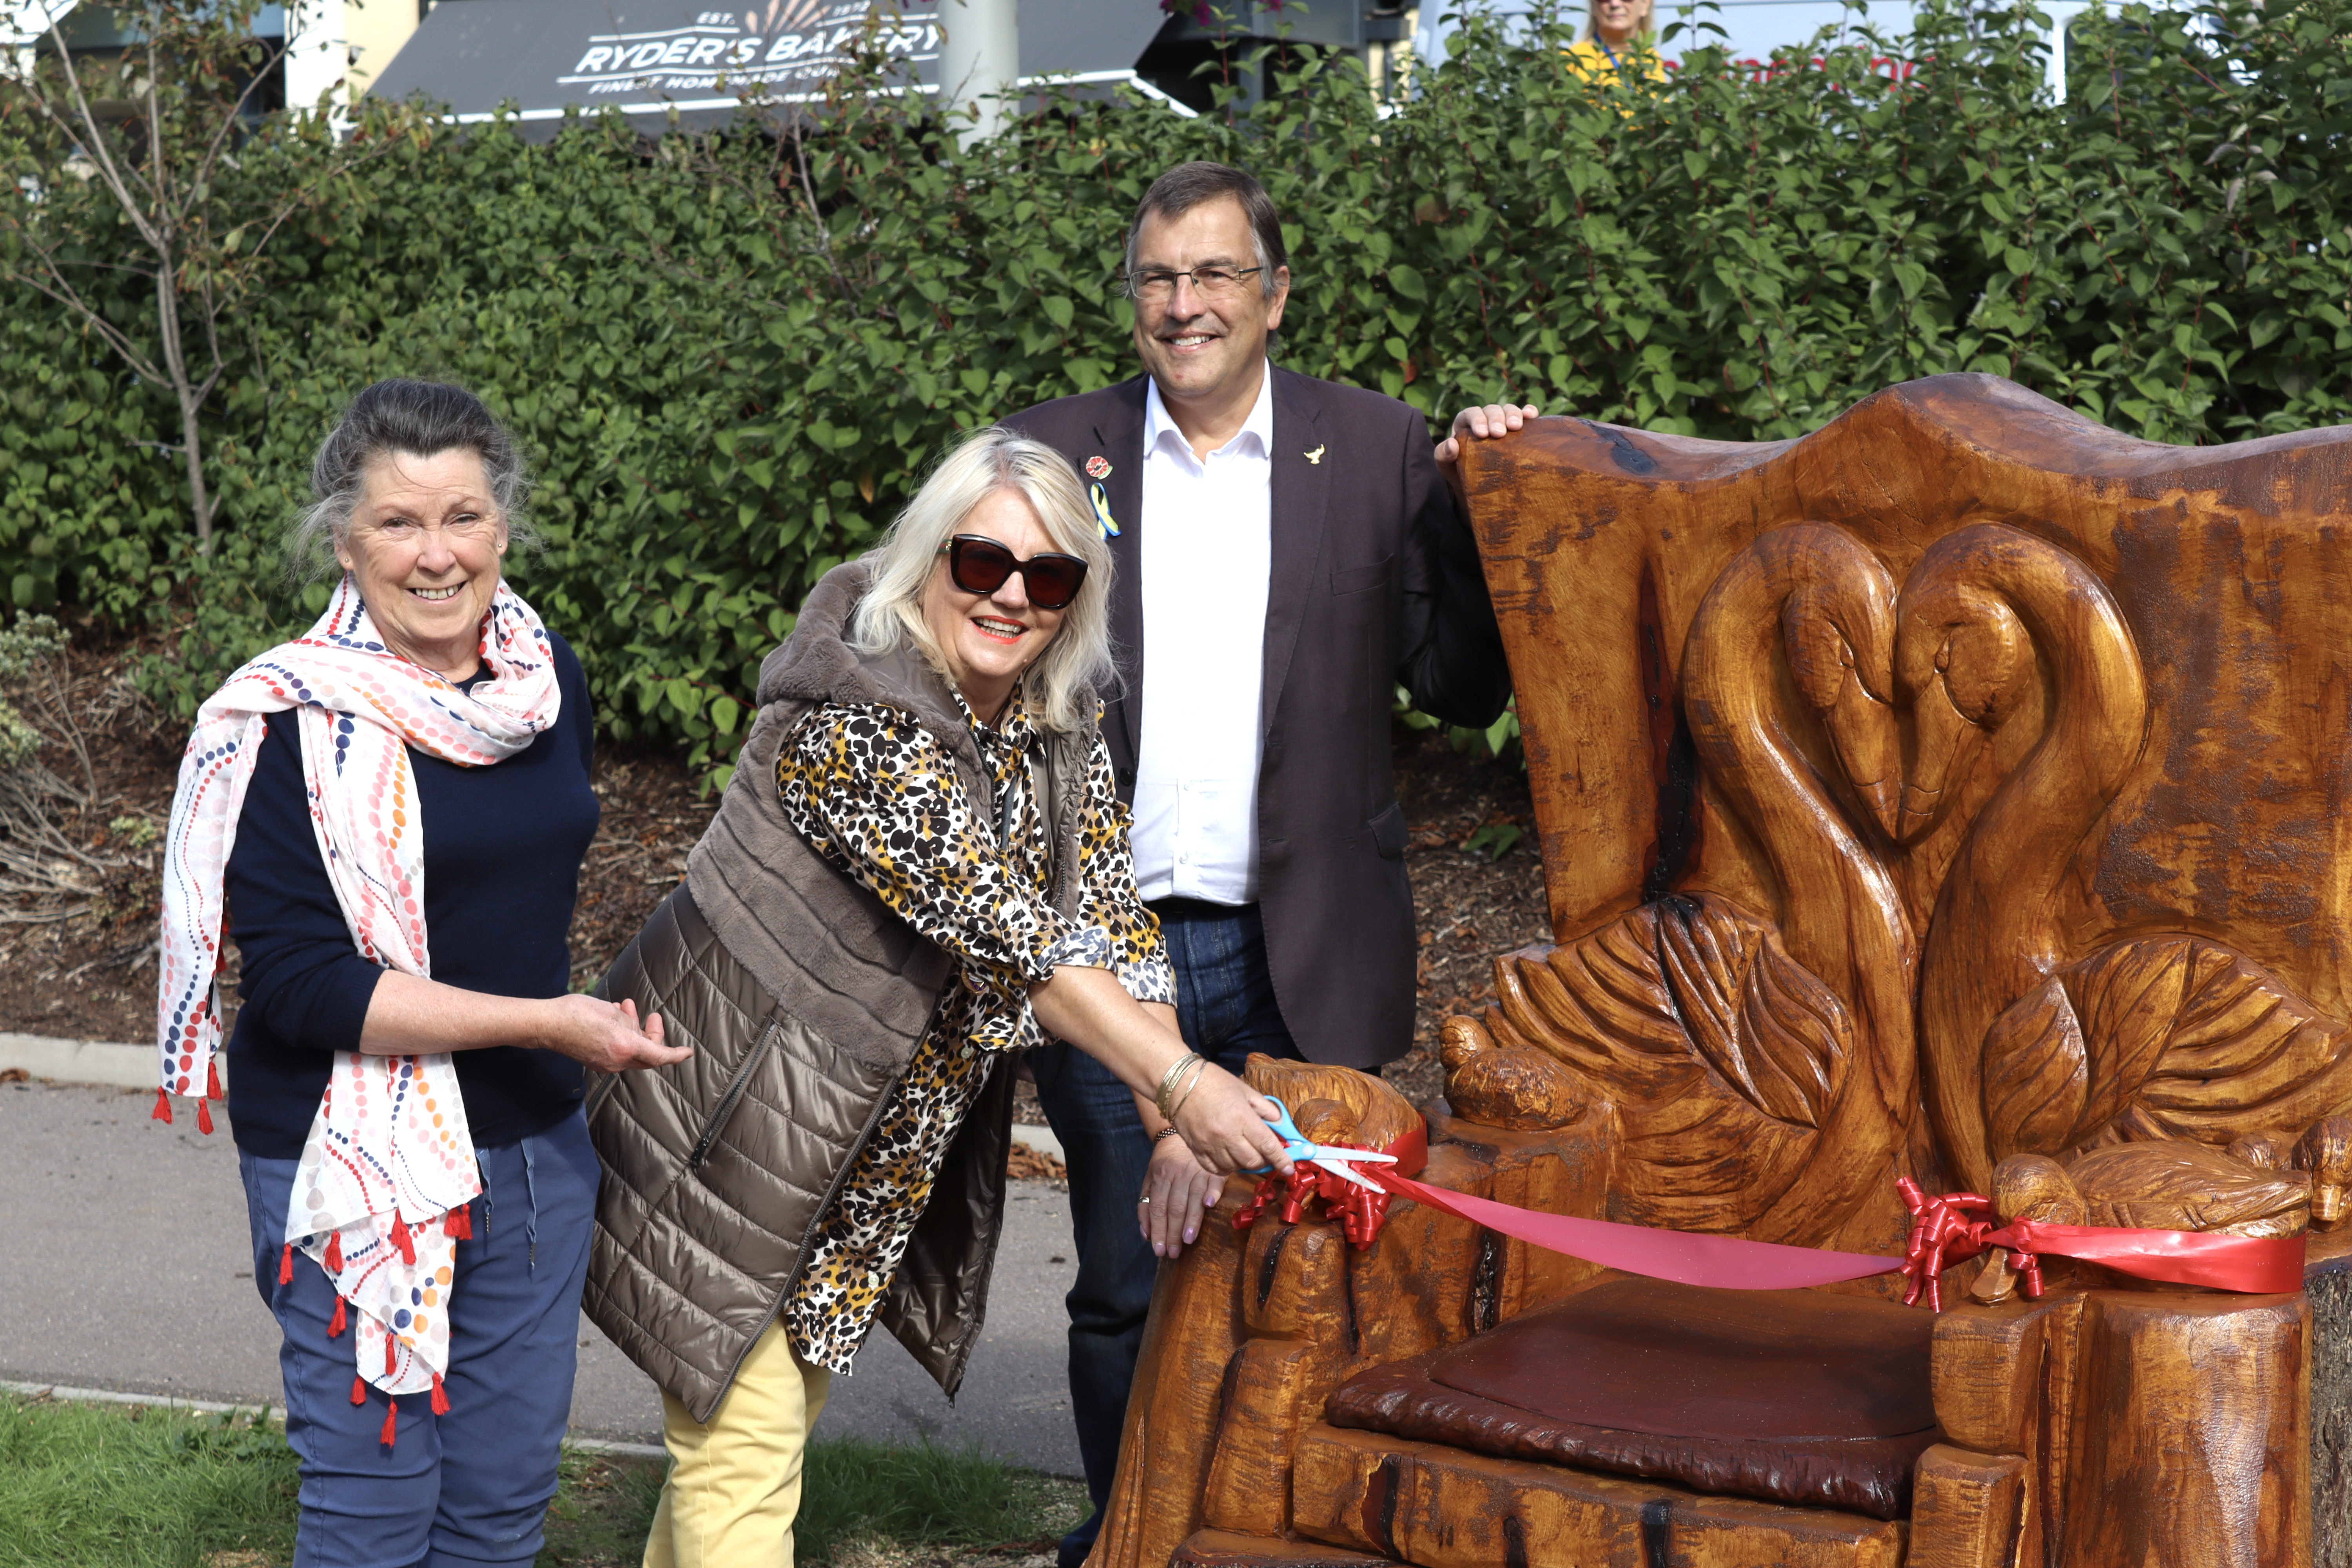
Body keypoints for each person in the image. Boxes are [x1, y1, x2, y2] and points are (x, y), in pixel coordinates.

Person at [582, 426, 1293, 1568]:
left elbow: (1111, 928)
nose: (1011, 596)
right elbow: (1011, 936)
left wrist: (1170, 1131)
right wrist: (1184, 1080)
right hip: (735, 1137)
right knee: (746, 1454)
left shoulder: (1053, 728)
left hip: (853, 1165)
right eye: (982, 562)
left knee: (745, 1453)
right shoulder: (853, 717)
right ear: (926, 555)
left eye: (1048, 576)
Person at [1000, 159, 1536, 1568]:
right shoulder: (1053, 458)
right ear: (1133, 301)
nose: (1187, 304)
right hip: (1116, 946)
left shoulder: (1371, 448)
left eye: (1216, 274)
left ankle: (1276, 1533)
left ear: (1275, 293)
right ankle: (1129, 1534)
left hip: (1308, 940)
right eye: (1161, 278)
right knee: (1129, 1274)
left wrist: (1488, 505)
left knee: (1317, 1264)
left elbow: (1455, 680)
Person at [155, 378, 688, 1567]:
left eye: (463, 516)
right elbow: (301, 986)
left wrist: (554, 1039)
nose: (435, 554)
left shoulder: (543, 688)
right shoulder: (284, 718)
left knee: (500, 1512)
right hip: (348, 1161)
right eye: (399, 521)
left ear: (504, 527)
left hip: (533, 1154)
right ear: (344, 539)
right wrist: (545, 1023)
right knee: (372, 1514)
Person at [1565, 0, 1669, 82]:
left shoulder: (1651, 58)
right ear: (1593, 6)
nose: (1615, 3)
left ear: (1645, 4)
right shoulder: (1571, 60)